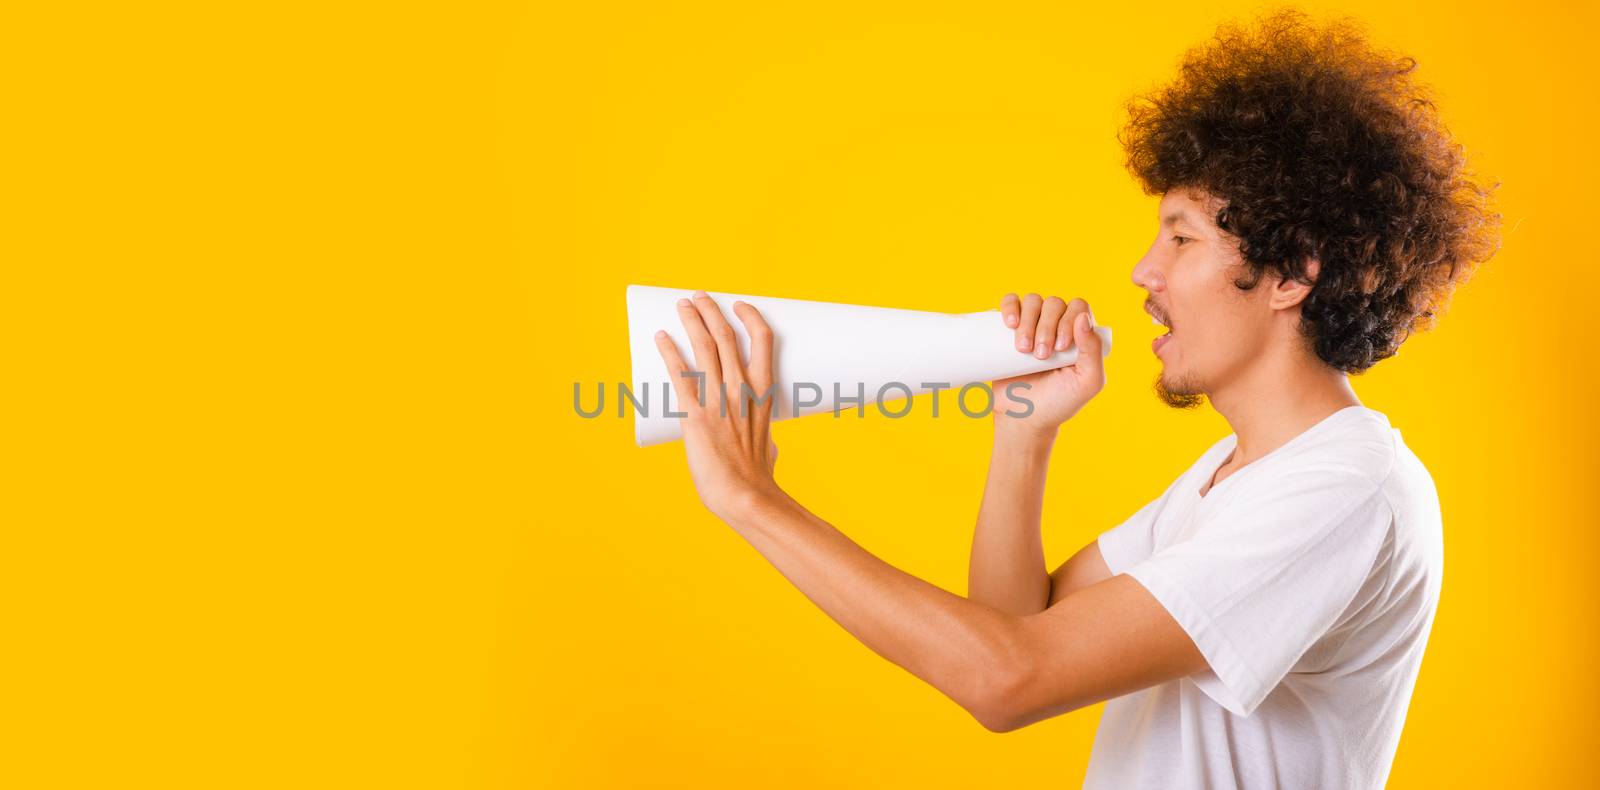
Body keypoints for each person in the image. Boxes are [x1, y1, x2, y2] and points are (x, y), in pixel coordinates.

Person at [650, 10, 1498, 788]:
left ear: (1291, 274)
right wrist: (1025, 433)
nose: (1145, 271)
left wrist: (752, 500)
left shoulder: (1346, 491)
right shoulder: (1231, 477)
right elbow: (1011, 623)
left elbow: (1007, 680)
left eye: (1181, 236)